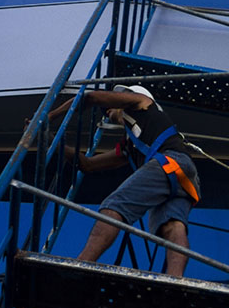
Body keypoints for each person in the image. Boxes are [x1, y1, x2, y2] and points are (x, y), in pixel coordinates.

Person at [47, 84, 200, 275]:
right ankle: (176, 279)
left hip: (169, 162)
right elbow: (88, 165)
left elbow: (90, 97)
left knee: (114, 205)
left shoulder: (143, 103)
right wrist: (52, 140)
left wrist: (50, 117)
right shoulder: (131, 146)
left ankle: (82, 264)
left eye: (119, 97)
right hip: (184, 177)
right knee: (172, 226)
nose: (110, 106)